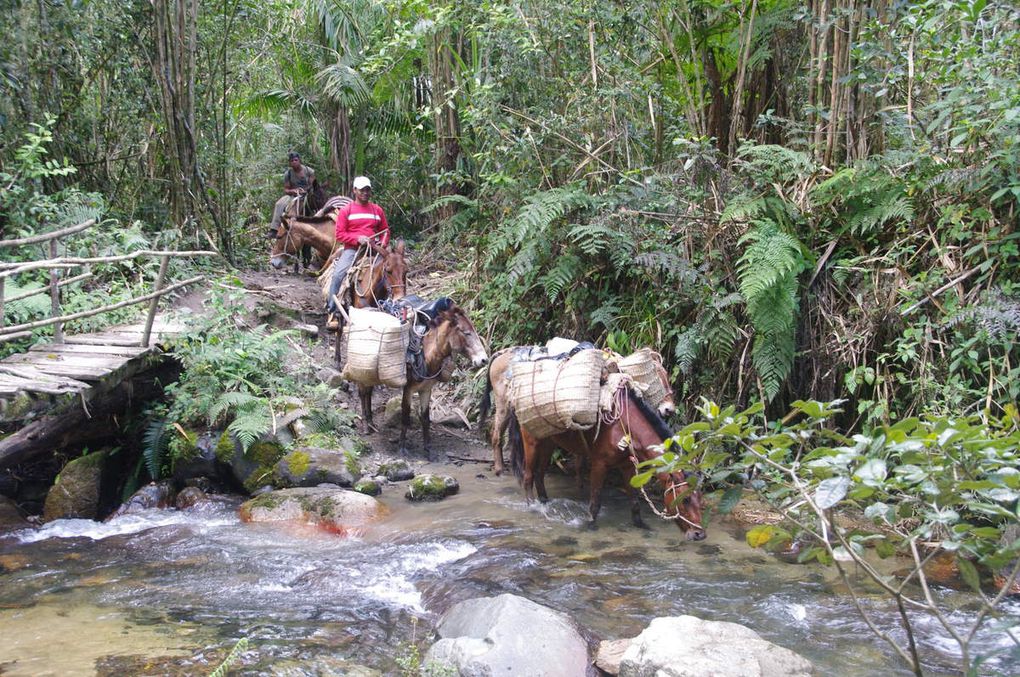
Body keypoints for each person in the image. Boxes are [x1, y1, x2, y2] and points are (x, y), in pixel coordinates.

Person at [326, 175, 390, 328]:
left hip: (374, 249)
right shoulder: (346, 211)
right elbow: (340, 235)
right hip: (353, 250)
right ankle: (332, 311)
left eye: (367, 190)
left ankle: (393, 306)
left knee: (393, 271)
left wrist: (382, 242)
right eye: (362, 190)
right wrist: (357, 239)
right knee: (338, 275)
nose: (365, 193)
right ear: (355, 190)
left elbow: (385, 230)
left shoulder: (377, 210)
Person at [269, 152, 317, 231]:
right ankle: (274, 229)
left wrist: (306, 191)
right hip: (293, 196)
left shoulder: (309, 171)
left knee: (319, 201)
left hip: (308, 194)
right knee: (279, 204)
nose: (294, 162)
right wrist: (294, 191)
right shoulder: (288, 174)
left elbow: (313, 185)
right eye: (292, 161)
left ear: (299, 160)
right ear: (289, 163)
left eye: (296, 160)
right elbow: (286, 189)